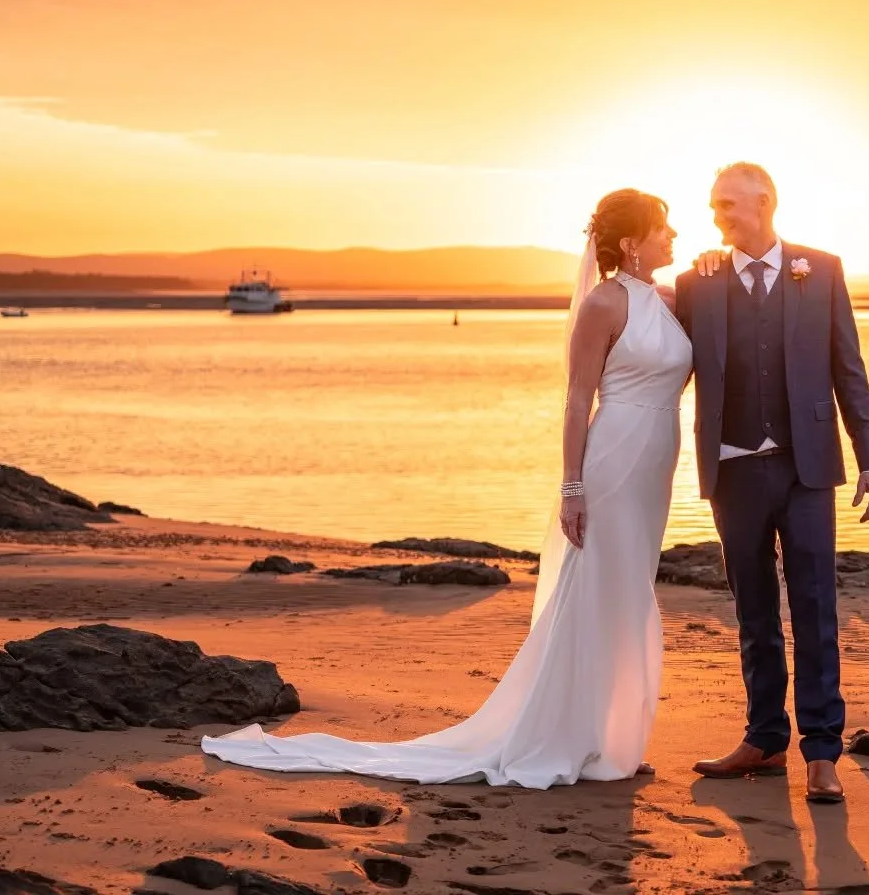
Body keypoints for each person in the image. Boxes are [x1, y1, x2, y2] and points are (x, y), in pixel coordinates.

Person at [200, 189, 690, 788]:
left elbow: (718, 301)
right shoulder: (602, 305)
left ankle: (613, 736)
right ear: (631, 242)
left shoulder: (668, 300)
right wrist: (571, 487)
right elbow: (576, 399)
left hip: (657, 464)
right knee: (597, 592)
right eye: (663, 228)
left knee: (631, 592)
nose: (674, 236)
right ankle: (571, 737)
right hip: (614, 457)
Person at [675, 162, 869, 804]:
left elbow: (848, 368)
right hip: (733, 469)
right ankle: (764, 738)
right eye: (714, 207)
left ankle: (822, 752)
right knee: (753, 612)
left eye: (726, 205)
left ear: (763, 202)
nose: (717, 217)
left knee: (815, 608)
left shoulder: (820, 271)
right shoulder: (698, 282)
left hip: (807, 468)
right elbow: (657, 357)